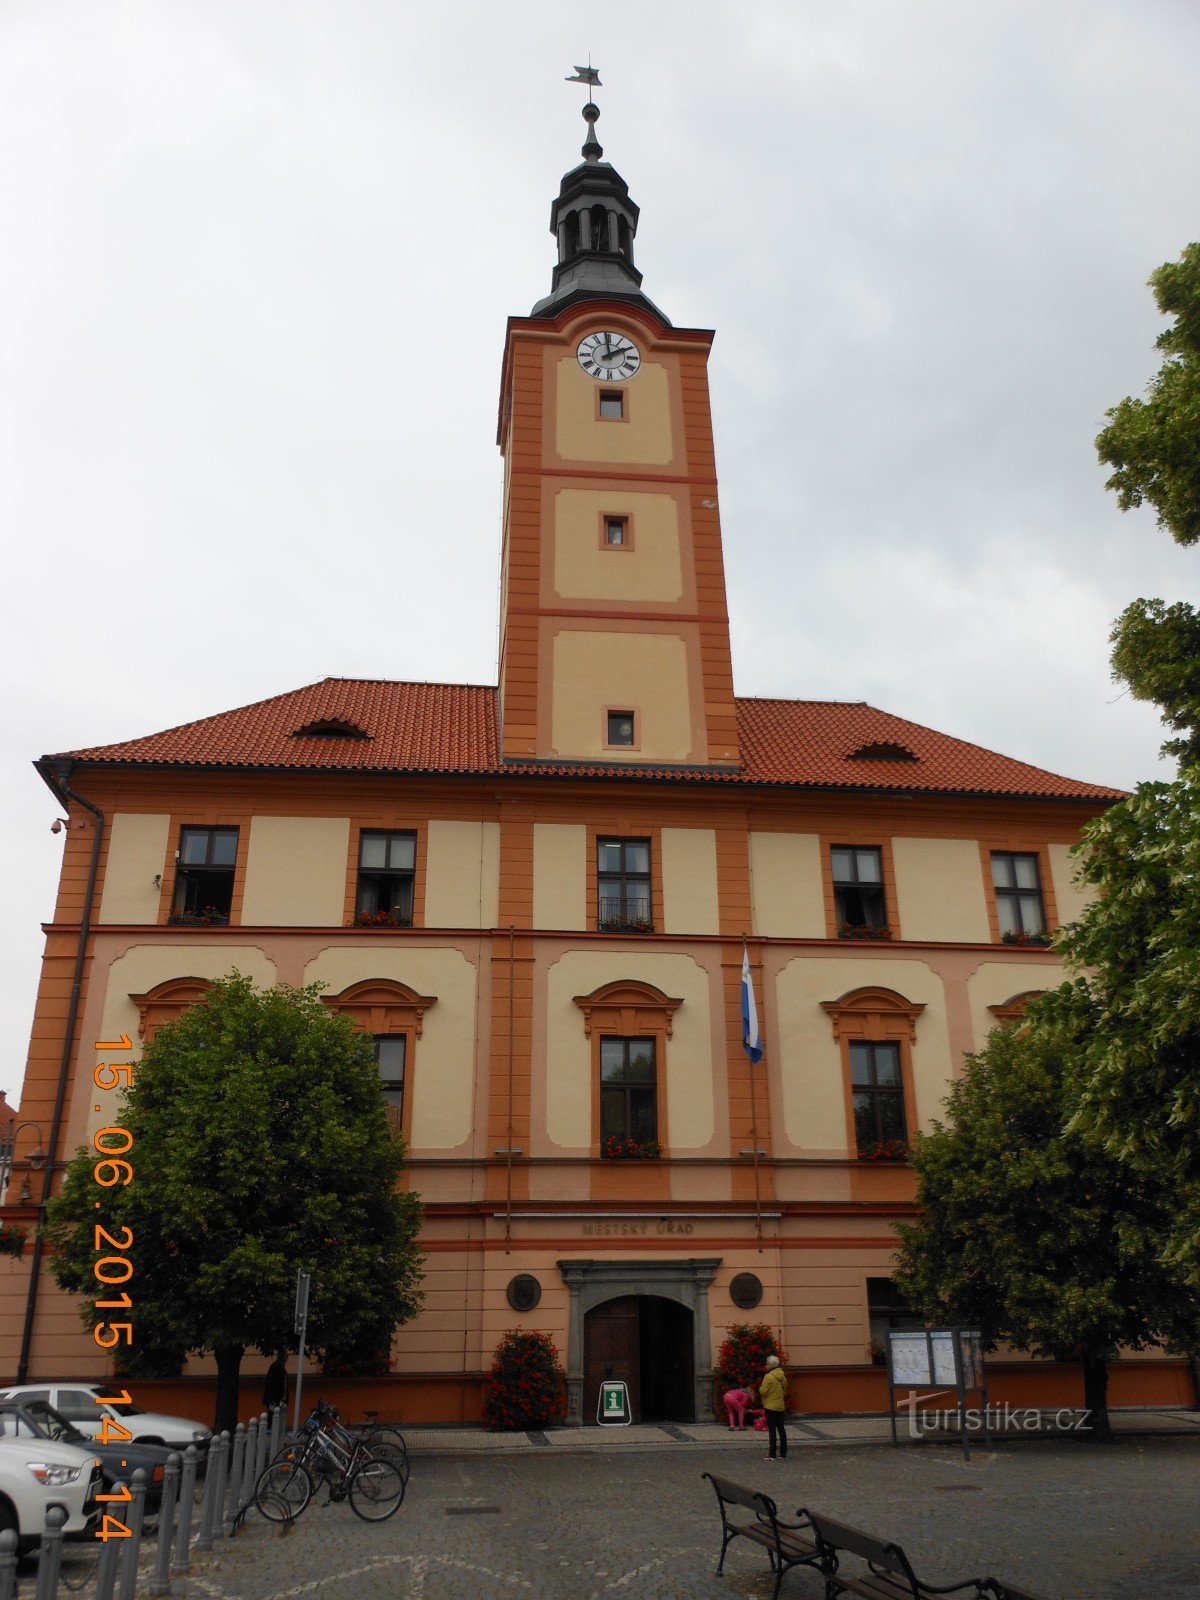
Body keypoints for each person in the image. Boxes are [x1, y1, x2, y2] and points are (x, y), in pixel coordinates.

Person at [758, 1353, 788, 1461]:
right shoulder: (782, 1376)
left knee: (772, 1430)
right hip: (780, 1406)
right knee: (781, 1429)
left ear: (771, 1365)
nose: (766, 1366)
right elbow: (784, 1389)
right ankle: (783, 1454)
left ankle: (772, 1454)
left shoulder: (768, 1376)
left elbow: (763, 1391)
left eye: (767, 1364)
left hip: (770, 1406)